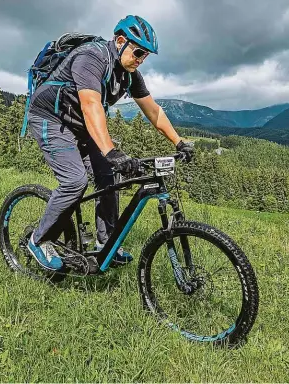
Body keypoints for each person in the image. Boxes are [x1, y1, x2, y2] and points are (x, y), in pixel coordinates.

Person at [25, 15, 194, 271]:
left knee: (110, 177)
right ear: (120, 41)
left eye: (145, 56)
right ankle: (39, 240)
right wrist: (110, 150)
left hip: (80, 124)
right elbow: (91, 104)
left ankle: (107, 245)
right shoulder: (91, 57)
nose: (140, 60)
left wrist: (179, 142)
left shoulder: (129, 74)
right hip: (51, 118)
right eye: (138, 52)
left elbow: (154, 111)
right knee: (75, 181)